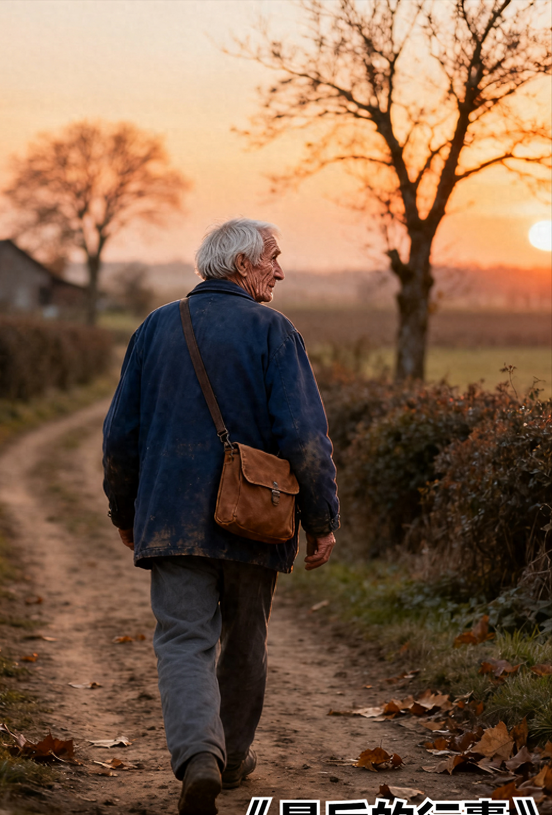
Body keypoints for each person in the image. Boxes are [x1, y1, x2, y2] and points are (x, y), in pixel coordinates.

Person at [102, 218, 339, 815]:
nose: (280, 271)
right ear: (241, 265)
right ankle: (230, 759)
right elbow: (305, 437)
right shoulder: (274, 332)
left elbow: (119, 436)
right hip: (253, 517)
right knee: (245, 639)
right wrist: (321, 516)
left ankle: (198, 759)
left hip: (171, 518)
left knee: (182, 641)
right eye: (273, 259)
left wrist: (125, 509)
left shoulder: (155, 327)